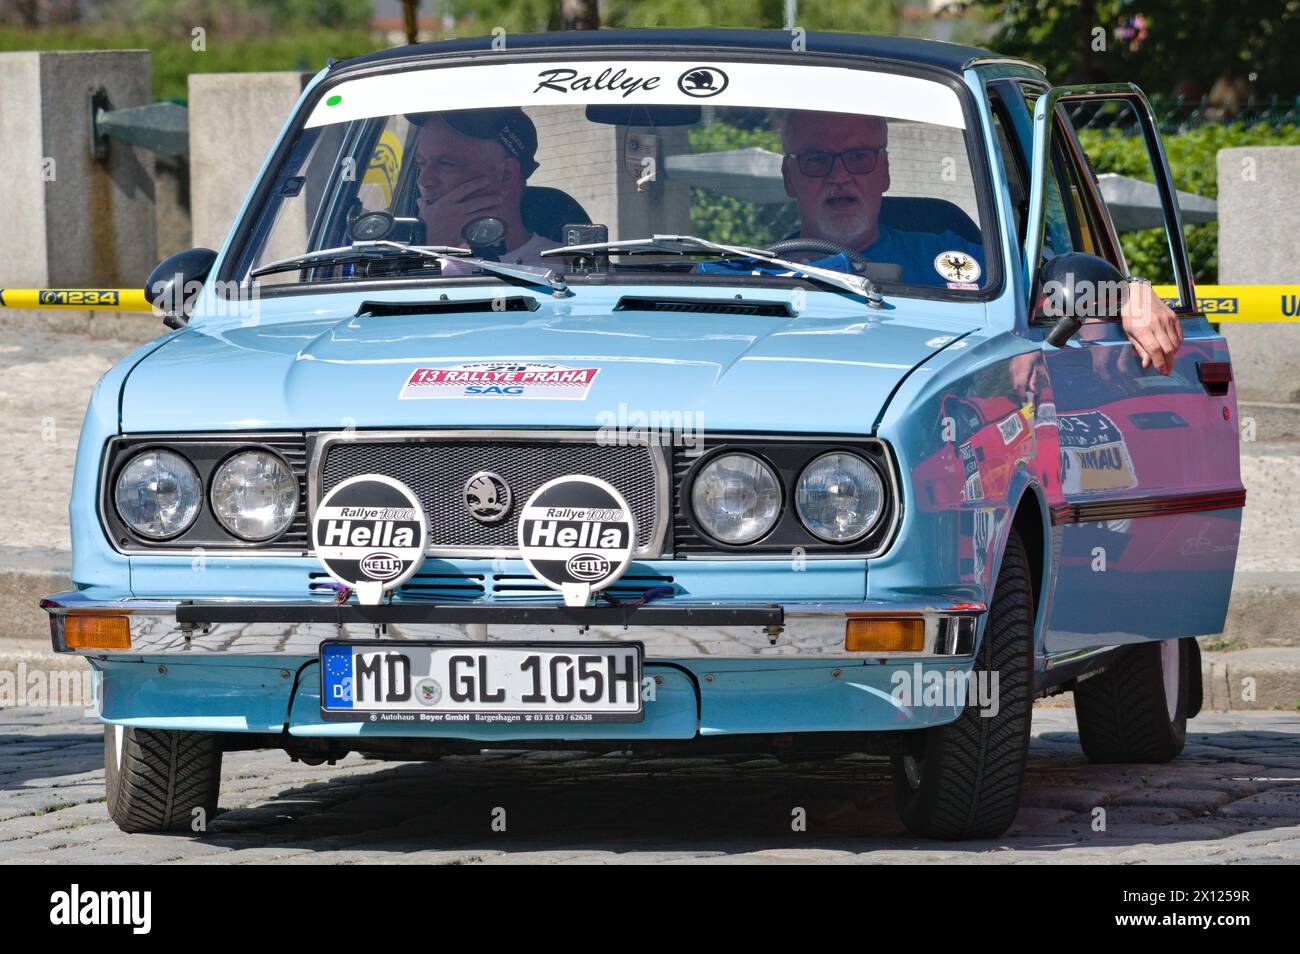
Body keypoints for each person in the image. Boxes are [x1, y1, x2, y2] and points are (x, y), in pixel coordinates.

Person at [781, 109, 1182, 375]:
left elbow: (1048, 293)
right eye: (816, 160)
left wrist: (1130, 294)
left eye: (858, 157)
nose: (839, 175)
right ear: (789, 177)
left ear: (884, 172)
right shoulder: (748, 275)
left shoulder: (950, 256)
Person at [405, 107, 558, 266]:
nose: (423, 181)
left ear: (506, 175)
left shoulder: (567, 272)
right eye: (421, 163)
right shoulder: (395, 261)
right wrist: (433, 246)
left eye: (446, 164)